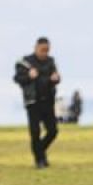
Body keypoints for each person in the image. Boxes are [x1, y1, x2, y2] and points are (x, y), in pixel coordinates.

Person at [13, 37, 60, 169]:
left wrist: (56, 79)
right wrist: (29, 76)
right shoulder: (25, 63)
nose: (45, 53)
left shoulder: (51, 62)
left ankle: (40, 151)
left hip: (48, 100)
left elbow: (55, 77)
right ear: (36, 48)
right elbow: (17, 79)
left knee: (53, 131)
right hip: (33, 101)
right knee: (35, 132)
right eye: (42, 50)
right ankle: (39, 160)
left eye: (47, 50)